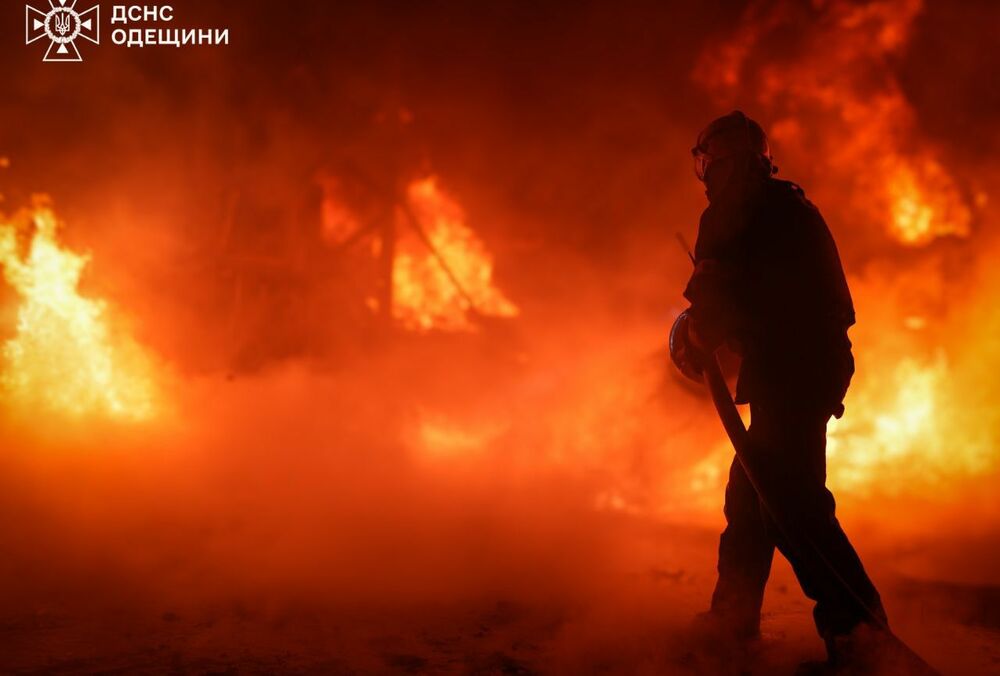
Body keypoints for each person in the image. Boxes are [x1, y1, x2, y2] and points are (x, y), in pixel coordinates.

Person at [671, 111, 888, 669]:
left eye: (710, 165)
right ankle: (733, 620)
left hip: (794, 370)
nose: (707, 178)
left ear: (731, 164)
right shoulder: (790, 208)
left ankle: (861, 632)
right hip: (808, 367)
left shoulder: (732, 212)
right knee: (750, 495)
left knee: (791, 504)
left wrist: (696, 333)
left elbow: (715, 297)